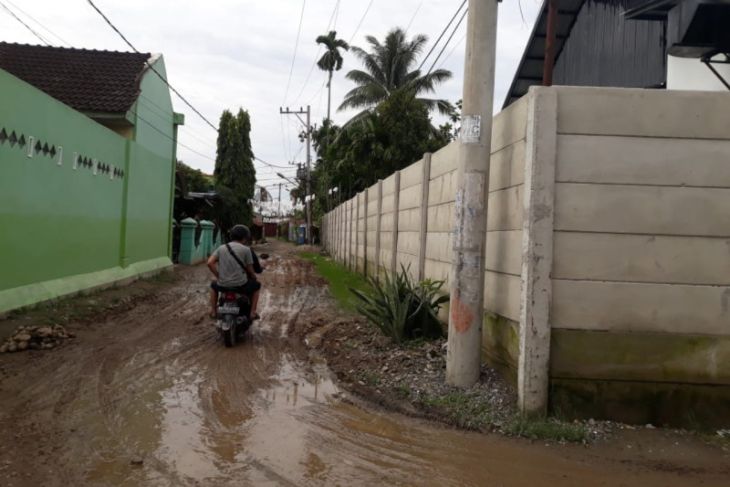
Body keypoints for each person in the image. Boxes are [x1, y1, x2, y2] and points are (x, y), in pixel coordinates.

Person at [207, 224, 261, 321]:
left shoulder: (221, 248)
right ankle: (252, 312)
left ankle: (213, 311)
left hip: (222, 284)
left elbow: (210, 263)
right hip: (241, 285)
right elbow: (250, 269)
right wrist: (253, 277)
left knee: (213, 285)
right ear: (245, 238)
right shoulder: (246, 249)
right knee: (257, 286)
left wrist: (218, 276)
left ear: (231, 236)